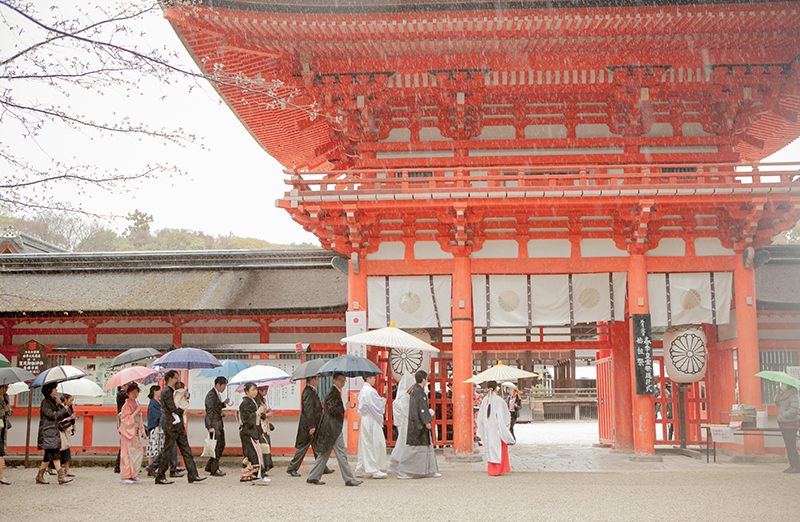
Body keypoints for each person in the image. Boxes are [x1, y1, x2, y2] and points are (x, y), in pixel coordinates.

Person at [305, 372, 361, 487]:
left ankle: (313, 476)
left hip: (330, 428)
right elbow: (332, 409)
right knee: (341, 454)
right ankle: (349, 479)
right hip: (333, 428)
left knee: (324, 453)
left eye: (344, 380)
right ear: (334, 380)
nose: (343, 382)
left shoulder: (334, 392)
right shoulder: (333, 392)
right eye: (341, 380)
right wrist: (346, 406)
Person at [155, 370, 205, 484]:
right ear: (170, 379)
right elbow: (172, 407)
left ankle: (193, 474)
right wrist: (182, 410)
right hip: (171, 424)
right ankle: (160, 476)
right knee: (167, 451)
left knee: (186, 449)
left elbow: (181, 401)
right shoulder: (166, 391)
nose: (177, 380)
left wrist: (186, 397)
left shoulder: (176, 391)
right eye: (176, 378)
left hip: (179, 425)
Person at [286, 375, 333, 477]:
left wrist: (320, 404)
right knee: (303, 447)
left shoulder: (311, 391)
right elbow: (308, 410)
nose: (318, 381)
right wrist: (311, 425)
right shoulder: (308, 392)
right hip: (309, 425)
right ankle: (292, 468)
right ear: (312, 380)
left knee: (317, 447)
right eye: (316, 379)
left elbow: (313, 407)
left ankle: (322, 467)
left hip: (314, 424)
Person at [397, 370, 439, 479]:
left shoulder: (418, 391)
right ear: (423, 379)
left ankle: (429, 470)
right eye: (426, 378)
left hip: (419, 424)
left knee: (425, 449)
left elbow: (422, 408)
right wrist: (426, 421)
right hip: (417, 425)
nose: (427, 380)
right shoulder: (418, 391)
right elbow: (421, 409)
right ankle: (404, 470)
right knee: (413, 449)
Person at [36, 383, 74, 484]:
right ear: (49, 390)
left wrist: (60, 406)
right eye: (54, 388)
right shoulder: (45, 403)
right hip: (48, 431)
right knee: (55, 452)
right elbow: (51, 415)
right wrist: (61, 410)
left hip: (53, 430)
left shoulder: (53, 402)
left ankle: (39, 476)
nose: (56, 390)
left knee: (48, 455)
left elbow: (61, 415)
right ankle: (60, 475)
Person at [477, 380, 516, 477]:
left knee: (490, 448)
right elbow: (503, 416)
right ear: (496, 388)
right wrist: (506, 424)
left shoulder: (485, 400)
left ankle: (492, 470)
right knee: (498, 447)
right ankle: (499, 470)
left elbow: (480, 417)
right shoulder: (499, 400)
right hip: (497, 428)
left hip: (488, 429)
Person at [144, 385, 181, 478]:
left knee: (160, 448)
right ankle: (151, 467)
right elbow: (156, 416)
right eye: (158, 390)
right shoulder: (152, 403)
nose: (160, 391)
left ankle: (153, 467)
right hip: (155, 427)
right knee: (154, 449)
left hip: (161, 427)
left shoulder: (159, 402)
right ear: (154, 392)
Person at [355, 374, 387, 478]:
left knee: (365, 443)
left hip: (365, 418)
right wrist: (383, 402)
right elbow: (375, 406)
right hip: (371, 419)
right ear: (368, 378)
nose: (374, 379)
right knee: (374, 443)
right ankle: (373, 469)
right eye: (373, 377)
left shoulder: (363, 390)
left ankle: (361, 467)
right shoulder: (370, 391)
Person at [239, 382, 269, 483]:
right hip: (248, 432)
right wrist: (257, 412)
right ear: (246, 391)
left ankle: (255, 475)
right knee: (252, 454)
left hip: (255, 430)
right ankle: (250, 475)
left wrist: (262, 412)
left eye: (256, 390)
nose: (255, 392)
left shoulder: (256, 401)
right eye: (252, 390)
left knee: (257, 453)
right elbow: (246, 419)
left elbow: (260, 417)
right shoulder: (244, 404)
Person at [388, 373, 415, 478]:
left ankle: (394, 463)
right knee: (404, 444)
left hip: (405, 423)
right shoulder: (402, 398)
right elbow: (407, 412)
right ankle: (404, 468)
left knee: (401, 443)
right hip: (404, 423)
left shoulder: (405, 397)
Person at [119, 383, 145, 484]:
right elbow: (125, 420)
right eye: (132, 392)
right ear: (127, 393)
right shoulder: (126, 405)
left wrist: (142, 431)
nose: (135, 394)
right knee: (127, 454)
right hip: (127, 432)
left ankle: (133, 473)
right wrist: (136, 411)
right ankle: (125, 475)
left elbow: (139, 419)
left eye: (136, 391)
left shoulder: (135, 404)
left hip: (134, 431)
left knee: (137, 452)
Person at [204, 376, 230, 477]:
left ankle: (210, 465)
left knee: (221, 444)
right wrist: (209, 426)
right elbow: (209, 411)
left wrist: (223, 404)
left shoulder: (216, 394)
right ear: (218, 385)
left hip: (218, 423)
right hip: (214, 424)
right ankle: (214, 468)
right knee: (217, 446)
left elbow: (216, 407)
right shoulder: (211, 395)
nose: (224, 388)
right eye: (223, 386)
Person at [776, 382, 800, 473]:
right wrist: (777, 401)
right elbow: (783, 407)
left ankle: (797, 466)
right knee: (788, 446)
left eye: (784, 384)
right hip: (784, 424)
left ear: (789, 386)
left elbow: (794, 409)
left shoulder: (793, 395)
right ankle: (792, 464)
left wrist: (784, 415)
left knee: (791, 446)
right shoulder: (785, 395)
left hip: (791, 424)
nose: (783, 386)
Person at [56, 393, 76, 478]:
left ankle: (66, 469)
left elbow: (72, 418)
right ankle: (65, 469)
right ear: (65, 400)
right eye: (70, 400)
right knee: (62, 449)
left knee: (64, 449)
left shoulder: (69, 407)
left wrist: (73, 426)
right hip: (60, 429)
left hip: (67, 429)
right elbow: (58, 419)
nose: (71, 402)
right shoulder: (60, 407)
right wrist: (69, 418)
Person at [0, 384, 11, 485]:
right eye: (5, 387)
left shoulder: (6, 397)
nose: (6, 389)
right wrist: (3, 410)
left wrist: (7, 411)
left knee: (1, 450)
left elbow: (10, 412)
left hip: (3, 425)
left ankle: (1, 475)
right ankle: (1, 476)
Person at [114, 385, 126, 473]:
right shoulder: (121, 394)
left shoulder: (121, 394)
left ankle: (122, 465)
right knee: (124, 443)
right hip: (123, 420)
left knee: (124, 443)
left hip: (124, 420)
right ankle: (118, 465)